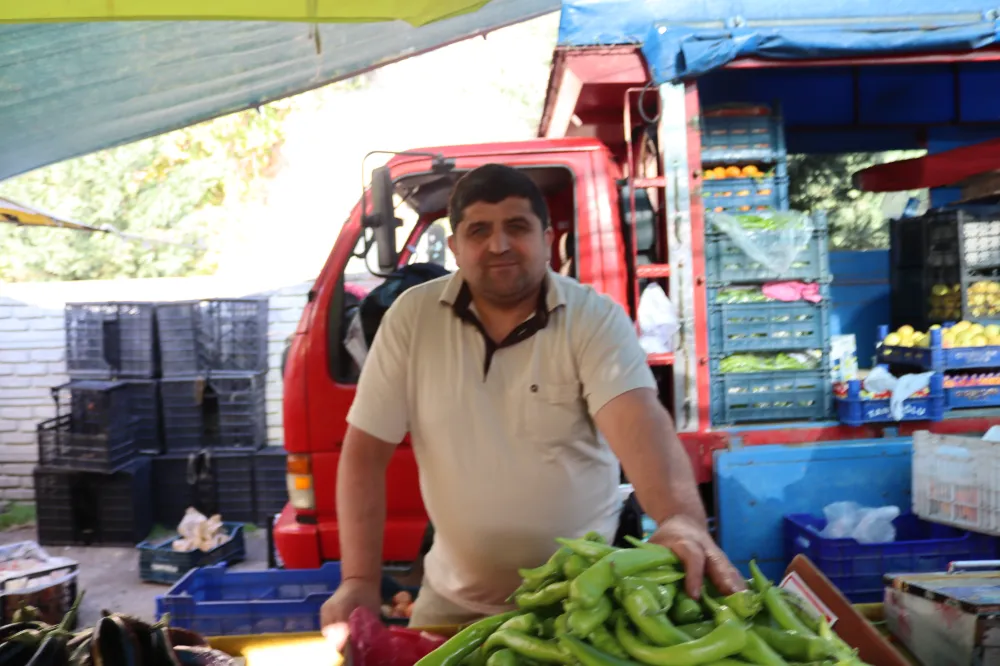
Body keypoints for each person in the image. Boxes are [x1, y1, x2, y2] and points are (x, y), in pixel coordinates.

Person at [320, 163, 744, 637]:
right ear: (456, 246)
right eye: (479, 230)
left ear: (547, 239)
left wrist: (682, 520)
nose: (498, 245)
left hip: (584, 607)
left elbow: (640, 423)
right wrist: (356, 580)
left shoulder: (593, 317)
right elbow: (363, 453)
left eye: (516, 227)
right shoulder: (411, 318)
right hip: (453, 607)